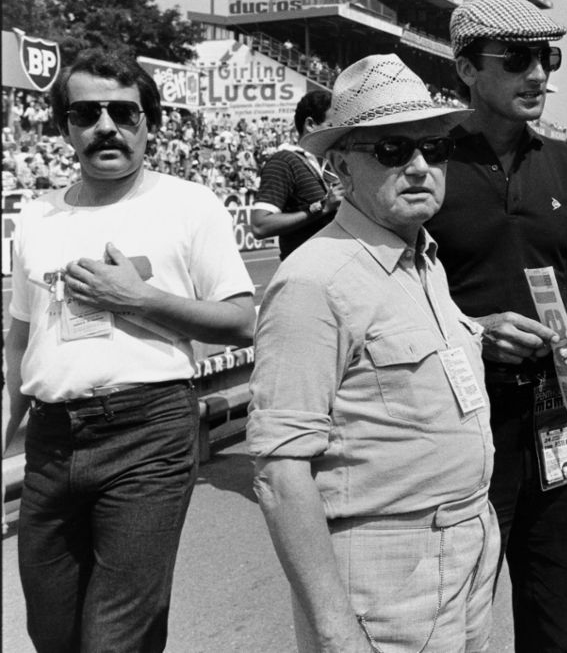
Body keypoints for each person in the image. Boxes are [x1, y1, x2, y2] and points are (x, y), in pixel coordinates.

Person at [5, 50, 255, 652]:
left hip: (146, 432)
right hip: (52, 439)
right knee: (53, 631)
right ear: (64, 126)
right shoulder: (36, 215)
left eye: (124, 111)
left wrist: (139, 300)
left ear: (150, 122)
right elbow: (20, 342)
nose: (106, 126)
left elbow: (243, 321)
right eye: (87, 113)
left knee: (117, 638)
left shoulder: (189, 204)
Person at [249, 54, 500, 652]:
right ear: (339, 167)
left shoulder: (422, 260)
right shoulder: (315, 280)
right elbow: (281, 472)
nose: (419, 167)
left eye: (434, 150)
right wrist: (335, 631)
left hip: (465, 542)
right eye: (391, 151)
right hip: (388, 561)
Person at [427, 0, 567, 653]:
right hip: (461, 422)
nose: (539, 75)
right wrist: (475, 330)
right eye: (518, 59)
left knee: (564, 615)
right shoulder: (424, 162)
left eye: (547, 57)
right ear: (468, 68)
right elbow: (387, 300)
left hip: (563, 414)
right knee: (452, 617)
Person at [250, 89, 343, 259]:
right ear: (310, 124)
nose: (337, 133)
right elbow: (260, 225)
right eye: (331, 126)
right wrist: (323, 207)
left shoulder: (335, 162)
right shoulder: (284, 161)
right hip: (307, 271)